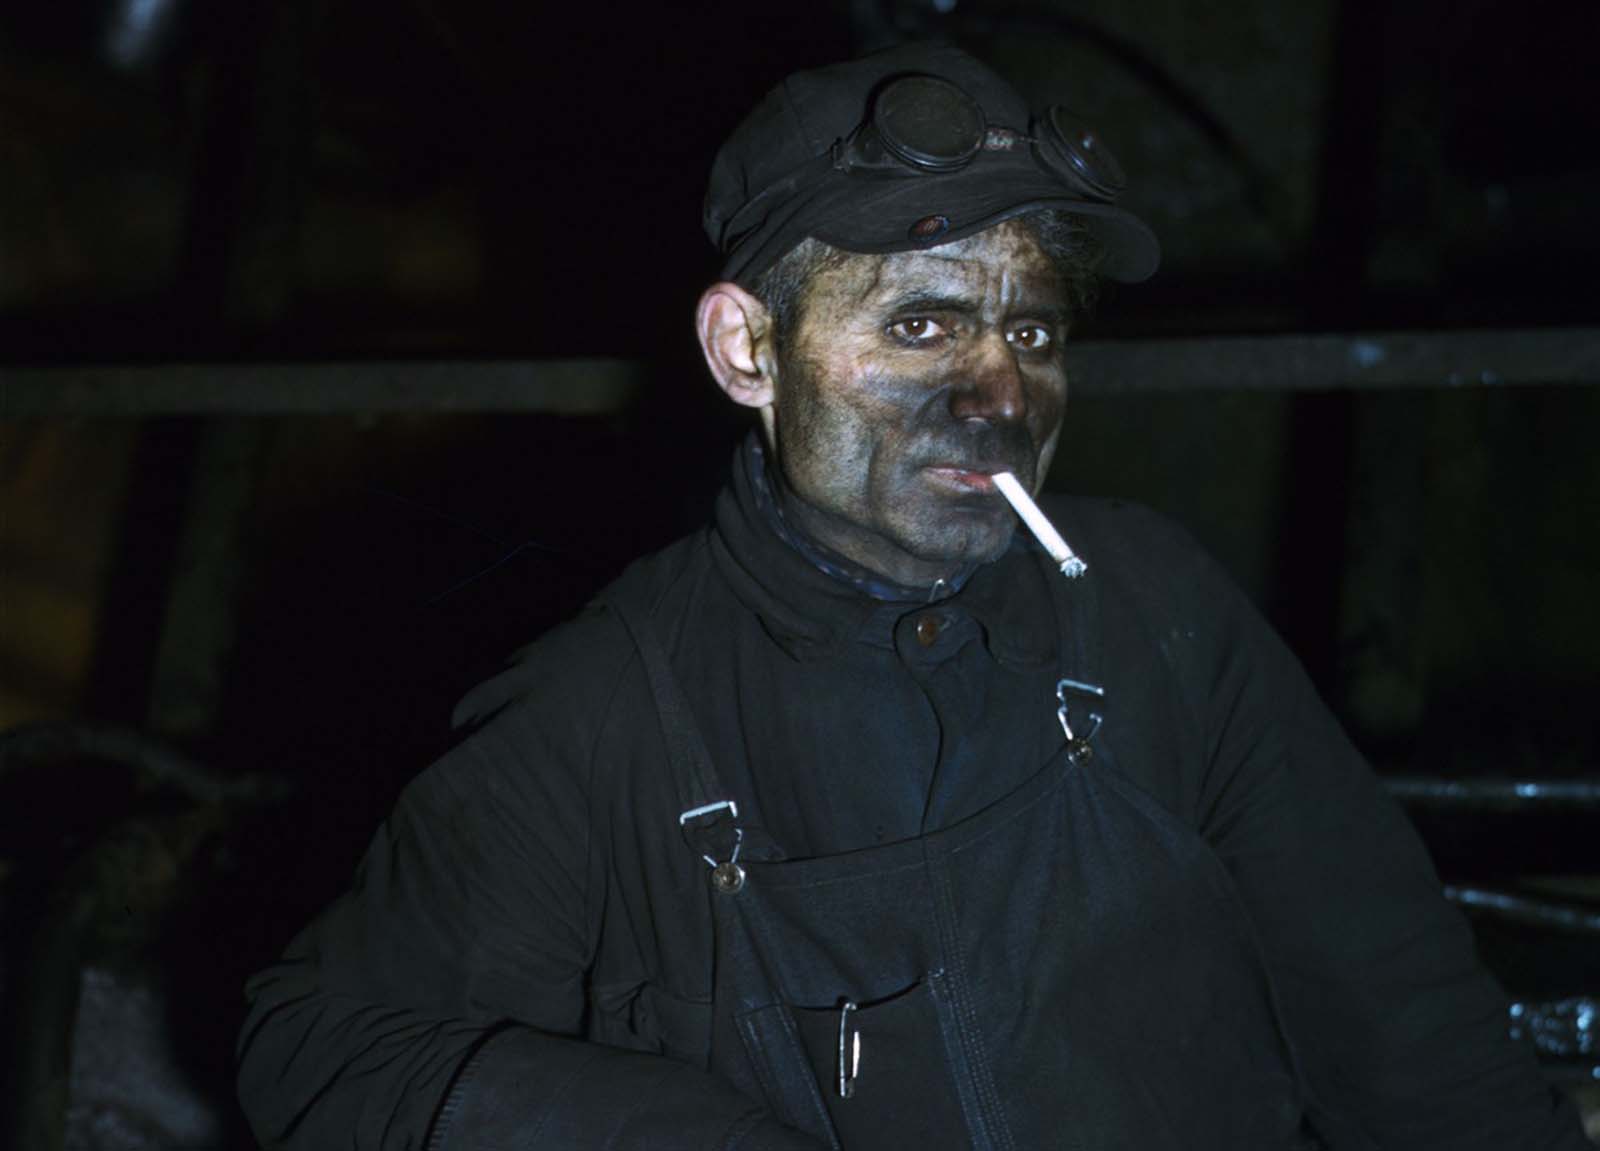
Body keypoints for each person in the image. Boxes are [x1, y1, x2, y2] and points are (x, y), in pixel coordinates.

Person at [235, 42, 1591, 1150]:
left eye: (1034, 331)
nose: (1000, 396)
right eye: (922, 325)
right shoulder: (605, 717)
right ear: (747, 348)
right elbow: (322, 1049)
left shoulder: (1156, 617)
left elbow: (1410, 1033)